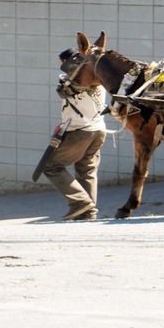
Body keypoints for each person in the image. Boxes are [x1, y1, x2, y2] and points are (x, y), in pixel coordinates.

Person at [42, 49, 108, 220]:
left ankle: (80, 203)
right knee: (86, 170)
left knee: (51, 166)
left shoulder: (76, 80)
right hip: (98, 129)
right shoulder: (98, 80)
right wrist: (62, 124)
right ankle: (88, 212)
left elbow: (67, 92)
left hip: (80, 131)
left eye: (62, 63)